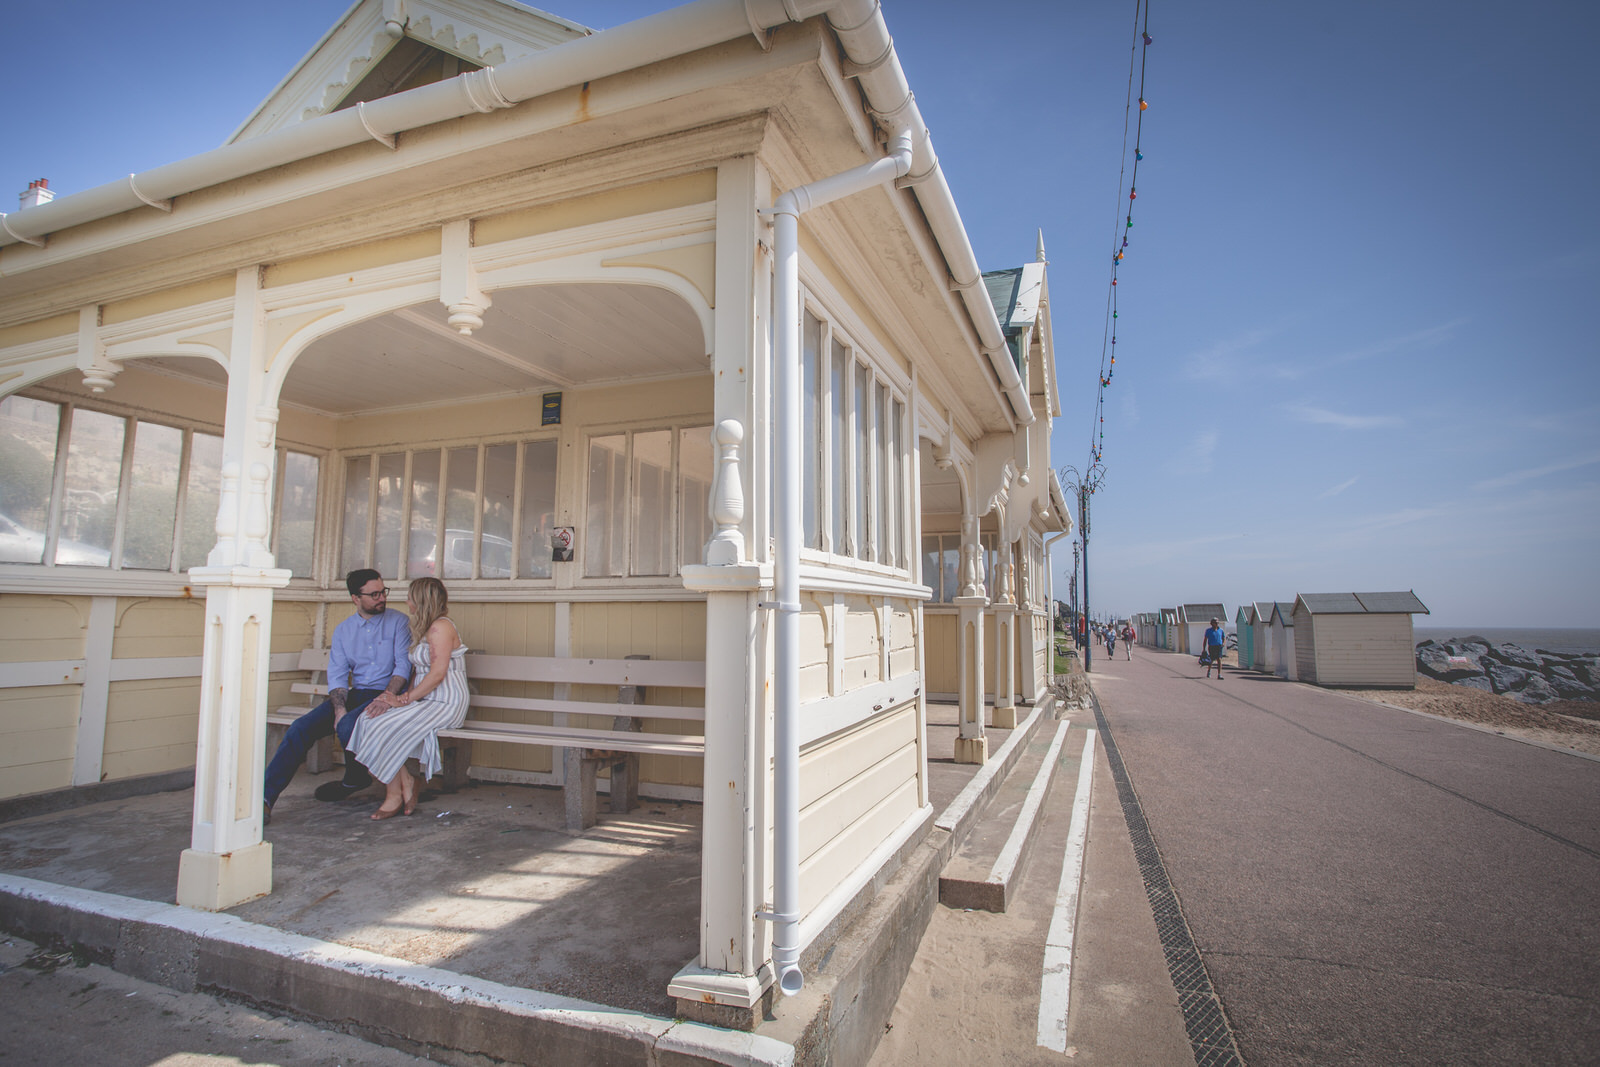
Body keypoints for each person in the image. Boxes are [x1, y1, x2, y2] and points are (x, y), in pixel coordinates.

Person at [263, 570, 411, 824]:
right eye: (373, 594)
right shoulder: (344, 631)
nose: (381, 598)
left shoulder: (398, 622)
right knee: (301, 728)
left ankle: (355, 778)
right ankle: (265, 799)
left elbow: (402, 668)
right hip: (356, 694)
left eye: (383, 592)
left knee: (347, 725)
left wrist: (386, 697)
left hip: (388, 694)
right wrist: (339, 709)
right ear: (356, 598)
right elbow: (339, 676)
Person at [347, 577, 469, 821]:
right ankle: (405, 781)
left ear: (422, 601)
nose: (406, 602)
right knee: (369, 719)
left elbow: (436, 674)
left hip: (445, 702)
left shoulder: (441, 628)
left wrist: (404, 699)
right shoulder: (426, 628)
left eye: (410, 597)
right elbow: (419, 672)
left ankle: (393, 795)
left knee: (383, 724)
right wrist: (401, 699)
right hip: (426, 699)